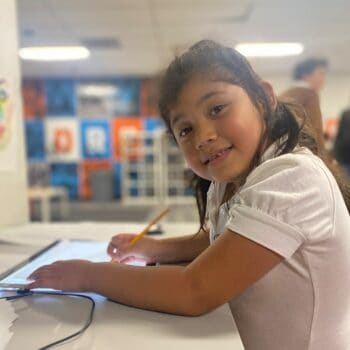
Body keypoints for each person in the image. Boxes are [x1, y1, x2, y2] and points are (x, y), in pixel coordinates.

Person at [27, 40, 350, 350]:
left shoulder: (291, 177)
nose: (204, 136)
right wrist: (156, 248)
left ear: (264, 99)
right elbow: (224, 241)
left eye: (217, 108)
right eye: (185, 130)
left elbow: (195, 291)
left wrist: (88, 274)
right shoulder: (233, 180)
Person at [280, 58, 328, 150]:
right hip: (306, 152)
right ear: (306, 75)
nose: (323, 79)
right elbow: (315, 130)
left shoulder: (285, 94)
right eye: (320, 74)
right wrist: (325, 160)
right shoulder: (310, 95)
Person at [333, 109, 350, 176]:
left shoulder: (346, 114)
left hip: (343, 159)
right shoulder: (346, 115)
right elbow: (340, 136)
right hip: (344, 159)